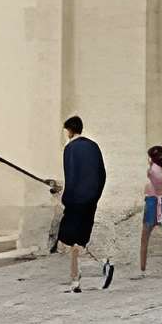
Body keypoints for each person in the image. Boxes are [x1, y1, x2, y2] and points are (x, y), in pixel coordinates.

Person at [54, 112, 111, 290]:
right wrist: (95, 196)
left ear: (69, 131)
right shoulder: (93, 146)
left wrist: (66, 199)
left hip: (75, 200)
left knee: (68, 239)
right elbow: (102, 174)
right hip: (90, 200)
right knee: (79, 240)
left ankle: (90, 270)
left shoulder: (70, 148)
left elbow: (71, 175)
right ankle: (78, 278)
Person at [138, 143, 162, 273]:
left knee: (145, 238)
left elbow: (150, 179)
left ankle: (142, 269)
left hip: (153, 203)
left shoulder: (152, 171)